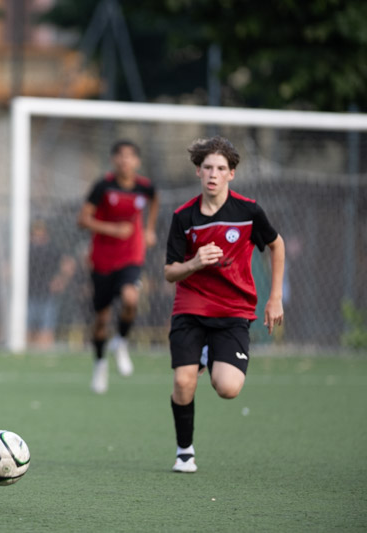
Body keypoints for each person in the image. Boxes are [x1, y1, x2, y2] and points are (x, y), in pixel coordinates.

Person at [164, 136, 285, 473]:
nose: (213, 174)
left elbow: (277, 246)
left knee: (228, 388)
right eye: (207, 168)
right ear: (198, 172)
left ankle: (207, 354)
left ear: (232, 173)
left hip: (233, 310)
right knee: (184, 381)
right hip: (191, 307)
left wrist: (275, 298)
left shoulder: (248, 212)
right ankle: (184, 451)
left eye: (220, 168)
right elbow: (170, 272)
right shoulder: (183, 216)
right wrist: (194, 263)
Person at [77, 140, 158, 394]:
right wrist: (113, 229)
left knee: (131, 298)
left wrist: (149, 229)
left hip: (131, 257)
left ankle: (121, 341)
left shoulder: (145, 187)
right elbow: (82, 220)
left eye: (130, 156)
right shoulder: (103, 186)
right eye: (120, 156)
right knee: (101, 320)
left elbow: (155, 200)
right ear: (114, 160)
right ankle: (100, 364)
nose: (125, 160)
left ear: (137, 161)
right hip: (102, 260)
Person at [28, 220, 77, 349]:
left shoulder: (53, 249)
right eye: (35, 234)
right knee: (26, 331)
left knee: (46, 331)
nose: (37, 237)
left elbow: (69, 265)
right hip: (27, 295)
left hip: (47, 295)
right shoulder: (25, 249)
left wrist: (61, 280)